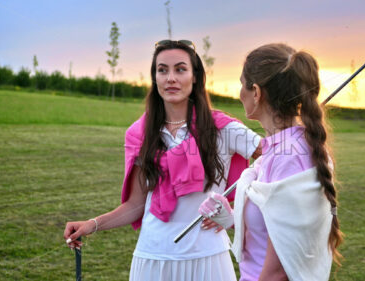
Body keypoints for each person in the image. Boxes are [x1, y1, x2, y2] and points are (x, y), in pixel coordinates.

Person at [64, 40, 261, 281]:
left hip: (208, 259)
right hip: (152, 259)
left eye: (180, 69)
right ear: (155, 78)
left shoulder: (225, 129)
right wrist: (92, 224)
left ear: (195, 76)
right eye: (162, 70)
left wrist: (237, 208)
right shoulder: (139, 133)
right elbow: (136, 204)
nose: (170, 78)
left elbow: (279, 161)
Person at [198, 43, 344, 281]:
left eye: (241, 84)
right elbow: (274, 228)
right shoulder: (278, 151)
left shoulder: (291, 158)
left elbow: (278, 272)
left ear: (256, 92)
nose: (239, 93)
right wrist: (232, 218)